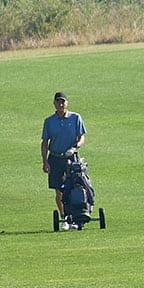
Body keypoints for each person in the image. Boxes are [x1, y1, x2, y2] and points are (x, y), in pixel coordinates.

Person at [41, 91, 86, 228]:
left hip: (71, 158)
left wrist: (75, 147)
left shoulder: (75, 118)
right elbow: (45, 142)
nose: (61, 104)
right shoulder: (49, 121)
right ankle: (64, 217)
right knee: (59, 190)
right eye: (58, 102)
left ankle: (75, 216)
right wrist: (45, 161)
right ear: (54, 103)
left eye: (63, 102)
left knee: (74, 187)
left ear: (67, 103)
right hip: (55, 158)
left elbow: (81, 137)